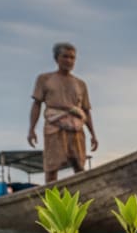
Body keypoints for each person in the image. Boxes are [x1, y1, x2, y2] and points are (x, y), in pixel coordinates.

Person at [27, 42, 98, 183]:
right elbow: (37, 104)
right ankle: (50, 194)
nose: (69, 60)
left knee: (79, 166)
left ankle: (81, 193)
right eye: (65, 56)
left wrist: (93, 135)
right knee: (51, 167)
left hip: (76, 128)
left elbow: (86, 110)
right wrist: (31, 130)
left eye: (72, 58)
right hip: (54, 127)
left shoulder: (80, 84)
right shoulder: (45, 79)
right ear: (56, 58)